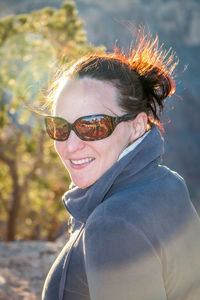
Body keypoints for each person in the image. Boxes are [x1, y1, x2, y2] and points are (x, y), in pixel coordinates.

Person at [38, 33, 200, 300]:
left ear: (137, 126)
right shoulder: (167, 183)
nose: (70, 146)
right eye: (60, 127)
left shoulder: (112, 223)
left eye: (92, 125)